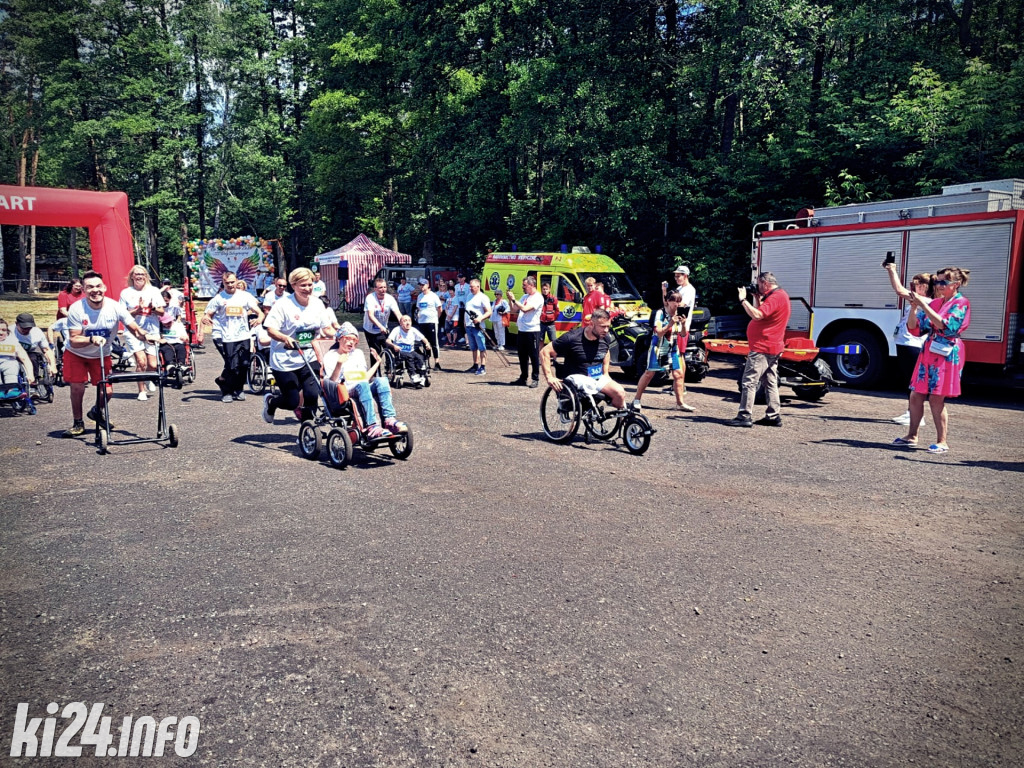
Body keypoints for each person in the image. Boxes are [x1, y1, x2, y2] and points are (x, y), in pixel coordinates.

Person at [893, 267, 971, 454]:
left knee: (936, 397)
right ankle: (912, 436)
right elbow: (916, 329)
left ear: (956, 284)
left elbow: (945, 325)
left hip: (946, 353)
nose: (938, 285)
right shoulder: (937, 303)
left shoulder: (961, 303)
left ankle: (941, 441)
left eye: (943, 282)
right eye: (937, 282)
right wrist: (914, 308)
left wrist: (923, 305)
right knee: (916, 394)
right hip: (929, 351)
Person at [63, 271, 150, 436]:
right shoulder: (77, 309)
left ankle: (96, 411)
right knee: (77, 388)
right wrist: (91, 339)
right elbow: (74, 339)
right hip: (77, 353)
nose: (95, 290)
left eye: (98, 286)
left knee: (107, 391)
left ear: (104, 287)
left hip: (102, 354)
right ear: (84, 289)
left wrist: (147, 336)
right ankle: (78, 423)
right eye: (90, 287)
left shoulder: (115, 307)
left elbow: (135, 329)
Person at [262, 267, 334, 424]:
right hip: (284, 359)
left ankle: (308, 431)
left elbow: (327, 328)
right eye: (303, 285)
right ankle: (272, 403)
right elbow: (270, 329)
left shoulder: (317, 304)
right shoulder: (283, 305)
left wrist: (341, 335)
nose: (307, 289)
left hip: (308, 355)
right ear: (293, 285)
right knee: (292, 401)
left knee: (311, 395)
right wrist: (285, 339)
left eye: (310, 285)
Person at [728, 272, 791, 428]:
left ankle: (744, 415)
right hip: (773, 346)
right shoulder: (779, 295)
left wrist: (743, 299)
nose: (758, 287)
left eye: (759, 284)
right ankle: (773, 415)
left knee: (749, 381)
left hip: (763, 348)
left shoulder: (776, 297)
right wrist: (756, 298)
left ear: (765, 283)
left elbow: (757, 315)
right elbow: (761, 313)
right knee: (770, 381)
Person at [323, 322, 406, 439]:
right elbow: (331, 382)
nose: (351, 342)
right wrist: (339, 364)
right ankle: (372, 425)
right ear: (340, 339)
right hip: (345, 390)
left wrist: (378, 363)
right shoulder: (331, 356)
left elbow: (364, 378)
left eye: (354, 340)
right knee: (362, 385)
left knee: (382, 380)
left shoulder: (358, 353)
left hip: (362, 387)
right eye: (348, 339)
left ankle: (389, 419)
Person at [540, 308, 627, 409]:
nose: (606, 330)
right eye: (602, 327)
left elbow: (606, 352)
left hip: (596, 378)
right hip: (576, 379)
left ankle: (621, 420)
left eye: (608, 326)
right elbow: (544, 352)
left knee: (620, 393)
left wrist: (606, 372)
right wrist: (549, 377)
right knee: (590, 387)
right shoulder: (572, 338)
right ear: (591, 324)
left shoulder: (605, 338)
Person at [203, 272, 264, 402]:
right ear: (223, 283)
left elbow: (259, 312)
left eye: (232, 282)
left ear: (237, 281)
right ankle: (226, 390)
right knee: (232, 365)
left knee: (245, 364)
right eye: (227, 283)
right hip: (228, 336)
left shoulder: (245, 296)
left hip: (243, 335)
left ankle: (239, 388)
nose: (230, 285)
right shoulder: (219, 298)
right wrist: (206, 318)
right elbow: (208, 314)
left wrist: (259, 318)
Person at [885, 262, 933, 425]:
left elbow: (898, 290)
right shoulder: (922, 300)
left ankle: (915, 415)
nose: (913, 287)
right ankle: (911, 413)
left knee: (912, 380)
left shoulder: (924, 299)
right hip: (907, 343)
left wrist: (892, 271)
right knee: (909, 380)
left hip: (912, 344)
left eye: (916, 284)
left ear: (925, 286)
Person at [631, 291, 693, 412]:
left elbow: (683, 334)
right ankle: (637, 399)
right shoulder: (660, 313)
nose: (678, 304)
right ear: (668, 301)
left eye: (679, 301)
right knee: (649, 373)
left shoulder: (679, 313)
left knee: (679, 374)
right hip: (658, 347)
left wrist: (684, 324)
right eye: (675, 301)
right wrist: (671, 323)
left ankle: (680, 403)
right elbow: (658, 332)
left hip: (673, 348)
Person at [119, 265, 166, 401]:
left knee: (152, 364)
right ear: (132, 276)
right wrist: (137, 310)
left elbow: (162, 312)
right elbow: (122, 314)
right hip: (133, 331)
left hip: (151, 330)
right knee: (141, 361)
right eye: (137, 274)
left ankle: (147, 378)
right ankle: (141, 391)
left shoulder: (154, 291)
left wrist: (153, 309)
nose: (139, 276)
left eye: (142, 274)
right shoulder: (126, 293)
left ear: (146, 276)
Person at [507, 276, 543, 387]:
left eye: (525, 285)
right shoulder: (525, 296)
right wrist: (510, 299)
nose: (523, 287)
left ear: (532, 285)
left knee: (533, 355)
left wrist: (514, 299)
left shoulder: (538, 297)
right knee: (522, 355)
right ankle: (523, 377)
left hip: (532, 330)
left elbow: (525, 309)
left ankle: (535, 378)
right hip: (522, 329)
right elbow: (514, 309)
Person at [14, 313, 57, 398]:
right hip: (12, 355)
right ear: (16, 324)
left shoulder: (36, 332)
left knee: (33, 358)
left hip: (29, 354)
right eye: (24, 328)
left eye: (29, 328)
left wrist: (53, 366)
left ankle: (33, 384)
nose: (26, 330)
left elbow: (46, 350)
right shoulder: (10, 332)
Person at [362, 277, 402, 359]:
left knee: (389, 347)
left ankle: (390, 368)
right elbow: (371, 315)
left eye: (384, 287)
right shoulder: (370, 298)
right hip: (370, 329)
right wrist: (380, 326)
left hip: (384, 328)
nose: (383, 289)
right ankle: (374, 371)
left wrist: (403, 323)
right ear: (375, 289)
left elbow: (398, 313)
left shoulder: (390, 298)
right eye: (380, 287)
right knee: (376, 352)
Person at [387, 315, 431, 385]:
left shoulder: (413, 330)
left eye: (409, 321)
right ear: (400, 323)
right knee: (410, 356)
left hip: (411, 351)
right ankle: (413, 375)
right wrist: (394, 345)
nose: (408, 323)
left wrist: (427, 343)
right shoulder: (397, 330)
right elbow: (388, 341)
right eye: (405, 321)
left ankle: (422, 375)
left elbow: (423, 338)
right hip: (400, 351)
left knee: (420, 357)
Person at [158, 291, 189, 386]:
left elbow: (186, 337)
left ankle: (182, 364)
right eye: (165, 323)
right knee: (167, 350)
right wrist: (160, 339)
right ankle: (170, 365)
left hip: (177, 342)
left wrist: (184, 338)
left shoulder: (177, 325)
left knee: (181, 348)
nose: (167, 324)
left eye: (169, 322)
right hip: (166, 343)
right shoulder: (160, 327)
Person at [463, 278, 492, 375]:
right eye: (470, 287)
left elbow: (489, 312)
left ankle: (483, 366)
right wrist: (465, 322)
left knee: (481, 347)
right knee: (473, 347)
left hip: (478, 326)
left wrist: (480, 319)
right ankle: (475, 365)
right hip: (469, 325)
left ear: (478, 286)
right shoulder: (469, 296)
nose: (470, 288)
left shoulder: (483, 297)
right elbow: (466, 310)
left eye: (472, 287)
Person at [414, 278, 444, 370]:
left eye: (423, 285)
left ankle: (437, 362)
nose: (421, 286)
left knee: (434, 342)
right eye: (420, 285)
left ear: (427, 285)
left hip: (432, 322)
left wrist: (436, 318)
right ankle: (426, 362)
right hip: (422, 322)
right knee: (424, 343)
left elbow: (439, 308)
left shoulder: (433, 296)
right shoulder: (420, 297)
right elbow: (418, 308)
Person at [0, 318, 36, 388]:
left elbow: (24, 358)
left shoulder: (12, 342)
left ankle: (12, 389)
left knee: (11, 367)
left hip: (9, 363)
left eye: (3, 330)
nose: (0, 333)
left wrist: (30, 374)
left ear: (7, 332)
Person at [453, 274, 472, 345]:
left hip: (465, 306)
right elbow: (456, 295)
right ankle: (463, 336)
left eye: (461, 278)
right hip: (458, 306)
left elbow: (469, 296)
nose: (459, 279)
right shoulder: (456, 286)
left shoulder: (467, 286)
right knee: (460, 322)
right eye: (458, 278)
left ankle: (468, 336)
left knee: (466, 322)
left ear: (464, 278)